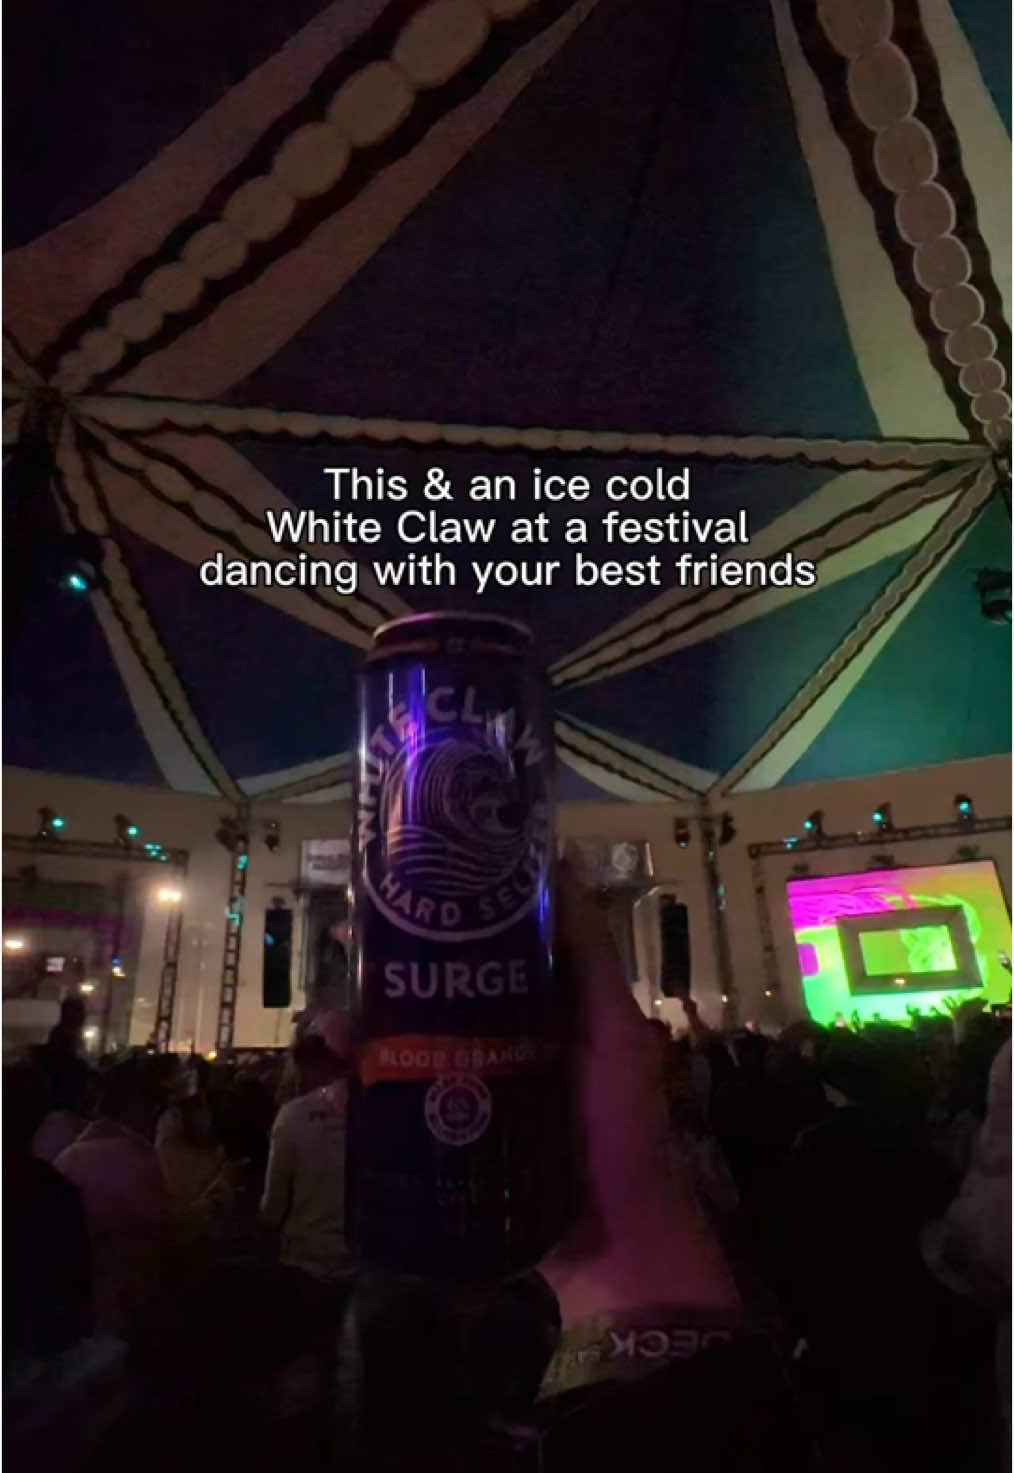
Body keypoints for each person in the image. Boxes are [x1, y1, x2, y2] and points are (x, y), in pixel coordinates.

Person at [54, 1056, 179, 1341]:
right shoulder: (134, 1157)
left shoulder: (68, 1155)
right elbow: (166, 1227)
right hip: (123, 1304)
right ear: (136, 1106)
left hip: (76, 1302)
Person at [260, 1032, 351, 1289]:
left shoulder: (292, 1115)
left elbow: (273, 1206)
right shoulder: (375, 1110)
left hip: (306, 1261)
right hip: (362, 1263)